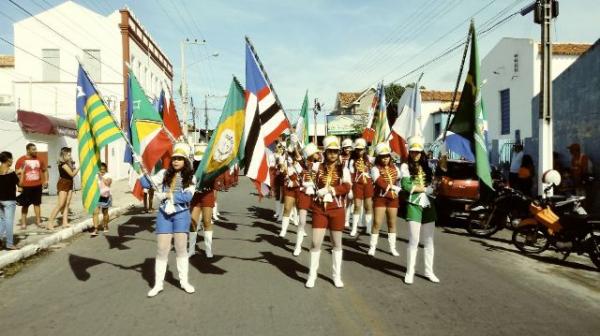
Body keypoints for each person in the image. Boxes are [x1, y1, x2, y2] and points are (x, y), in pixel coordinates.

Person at [147, 143, 196, 297]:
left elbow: (188, 196)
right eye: (174, 158)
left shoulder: (191, 177)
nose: (176, 161)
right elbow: (147, 183)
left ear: (185, 161)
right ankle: (158, 284)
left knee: (181, 248)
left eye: (180, 159)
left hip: (181, 214)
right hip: (164, 214)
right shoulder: (163, 173)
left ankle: (184, 281)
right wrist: (141, 170)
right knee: (162, 249)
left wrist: (169, 196)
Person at [305, 136, 352, 288]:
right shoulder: (317, 166)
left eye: (335, 151)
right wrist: (311, 188)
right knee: (315, 242)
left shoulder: (343, 168)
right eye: (330, 151)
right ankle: (312, 275)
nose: (332, 154)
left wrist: (331, 190)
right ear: (325, 152)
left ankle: (336, 276)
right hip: (319, 209)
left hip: (337, 209)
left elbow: (347, 187)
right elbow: (303, 171)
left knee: (336, 243)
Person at [401, 136, 439, 284]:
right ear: (409, 152)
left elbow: (435, 182)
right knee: (414, 240)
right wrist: (425, 189)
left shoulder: (429, 165)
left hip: (429, 204)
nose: (415, 154)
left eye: (418, 152)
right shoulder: (405, 167)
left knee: (429, 240)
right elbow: (406, 185)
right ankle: (410, 271)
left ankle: (429, 271)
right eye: (412, 152)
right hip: (413, 204)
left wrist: (434, 185)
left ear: (422, 152)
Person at [368, 142, 401, 257]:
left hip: (393, 198)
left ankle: (393, 247)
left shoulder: (396, 168)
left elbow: (400, 179)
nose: (385, 158)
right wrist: (392, 187)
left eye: (387, 156)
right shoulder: (375, 169)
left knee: (392, 223)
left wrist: (400, 187)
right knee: (377, 222)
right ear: (378, 157)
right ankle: (372, 247)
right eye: (382, 156)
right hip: (380, 198)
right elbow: (378, 181)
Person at [293, 143, 320, 256]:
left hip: (316, 195)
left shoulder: (319, 165)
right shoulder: (301, 165)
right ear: (310, 154)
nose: (318, 154)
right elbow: (297, 163)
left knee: (317, 223)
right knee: (302, 221)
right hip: (304, 195)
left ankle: (315, 246)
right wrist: (295, 148)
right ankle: (298, 246)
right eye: (316, 153)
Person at [15, 143, 48, 230]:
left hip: (37, 186)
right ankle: (23, 223)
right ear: (28, 150)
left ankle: (38, 222)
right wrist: (19, 185)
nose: (35, 151)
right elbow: (17, 174)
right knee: (25, 205)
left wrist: (46, 180)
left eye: (35, 149)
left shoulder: (39, 159)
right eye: (33, 149)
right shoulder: (21, 160)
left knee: (37, 204)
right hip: (26, 187)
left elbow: (45, 170)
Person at [47, 147, 79, 229]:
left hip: (70, 183)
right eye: (68, 155)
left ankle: (65, 222)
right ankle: (50, 223)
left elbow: (72, 172)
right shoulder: (63, 164)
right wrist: (80, 167)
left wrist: (73, 165)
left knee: (67, 203)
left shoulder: (69, 163)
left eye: (70, 154)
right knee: (60, 204)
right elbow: (72, 174)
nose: (70, 156)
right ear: (63, 155)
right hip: (63, 183)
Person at [348, 138, 374, 237]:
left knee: (368, 206)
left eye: (361, 149)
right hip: (357, 184)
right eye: (358, 149)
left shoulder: (370, 159)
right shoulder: (352, 161)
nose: (359, 151)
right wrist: (350, 188)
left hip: (367, 184)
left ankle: (368, 228)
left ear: (365, 149)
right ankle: (354, 228)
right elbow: (350, 174)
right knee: (357, 206)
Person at [279, 144, 302, 238]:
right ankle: (283, 229)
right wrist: (283, 169)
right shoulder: (284, 159)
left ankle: (301, 229)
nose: (291, 154)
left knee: (301, 209)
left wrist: (295, 146)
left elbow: (301, 171)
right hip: (289, 186)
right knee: (287, 208)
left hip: (300, 187)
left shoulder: (300, 159)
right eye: (289, 152)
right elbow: (282, 169)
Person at [0, 151, 19, 249]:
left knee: (2, 220)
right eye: (11, 159)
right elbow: (20, 185)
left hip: (0, 199)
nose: (12, 160)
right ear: (7, 160)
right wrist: (22, 174)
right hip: (9, 200)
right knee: (9, 221)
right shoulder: (11, 172)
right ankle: (9, 243)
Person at [91, 163, 112, 236]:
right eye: (100, 169)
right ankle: (96, 228)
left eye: (103, 169)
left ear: (106, 169)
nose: (102, 171)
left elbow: (108, 183)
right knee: (95, 212)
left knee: (105, 212)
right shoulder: (95, 176)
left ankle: (105, 225)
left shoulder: (108, 175)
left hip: (105, 196)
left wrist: (101, 177)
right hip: (97, 196)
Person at [340, 138, 353, 227]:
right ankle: (343, 218)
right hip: (342, 179)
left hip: (352, 180)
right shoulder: (339, 157)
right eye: (346, 148)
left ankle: (347, 218)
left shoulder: (354, 157)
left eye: (349, 147)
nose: (347, 149)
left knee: (350, 199)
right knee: (343, 200)